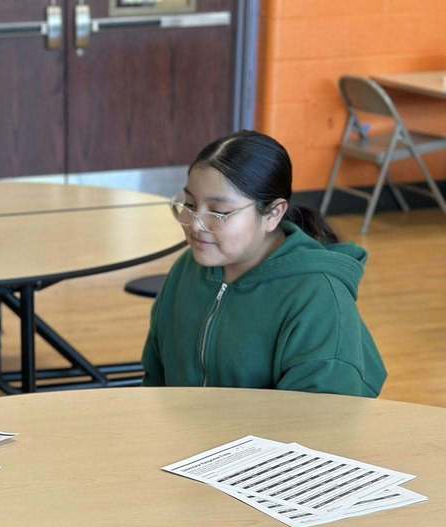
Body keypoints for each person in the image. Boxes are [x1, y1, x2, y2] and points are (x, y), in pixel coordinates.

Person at [142, 130, 386, 397]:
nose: (195, 224)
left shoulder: (318, 297)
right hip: (187, 435)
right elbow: (156, 375)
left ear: (273, 213)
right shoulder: (188, 268)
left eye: (219, 212)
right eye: (189, 203)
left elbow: (319, 421)